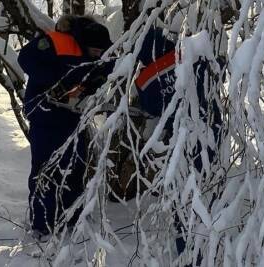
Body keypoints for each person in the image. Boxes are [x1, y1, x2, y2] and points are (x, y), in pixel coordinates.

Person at [134, 26, 223, 264]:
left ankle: (191, 252)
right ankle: (209, 248)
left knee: (184, 198)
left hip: (181, 141)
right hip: (211, 130)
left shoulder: (145, 78)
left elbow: (149, 107)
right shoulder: (192, 53)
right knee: (209, 189)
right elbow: (219, 69)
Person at [18, 15, 113, 236]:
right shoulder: (57, 42)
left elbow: (108, 67)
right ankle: (42, 225)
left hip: (73, 115)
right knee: (46, 167)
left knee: (75, 164)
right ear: (83, 42)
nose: (98, 55)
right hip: (44, 112)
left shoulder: (102, 45)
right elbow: (25, 58)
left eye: (100, 52)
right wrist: (56, 82)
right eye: (95, 51)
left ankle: (72, 218)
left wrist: (95, 82)